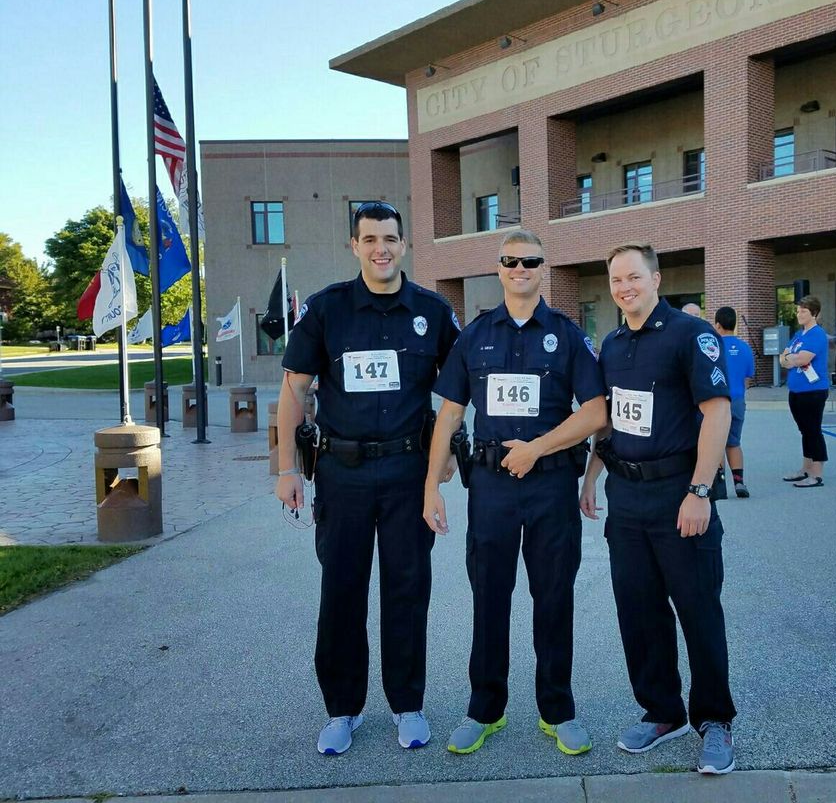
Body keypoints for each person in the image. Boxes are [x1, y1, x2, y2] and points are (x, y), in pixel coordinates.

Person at [274, 201, 461, 756]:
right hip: (342, 474)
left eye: (391, 238)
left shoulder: (432, 310)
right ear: (354, 245)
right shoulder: (327, 310)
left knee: (407, 591)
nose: (382, 247)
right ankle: (342, 710)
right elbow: (294, 392)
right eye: (370, 238)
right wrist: (286, 467)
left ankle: (408, 704)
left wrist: (447, 454)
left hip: (407, 472)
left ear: (404, 244)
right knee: (342, 593)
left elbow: (459, 388)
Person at [423, 229, 606, 757]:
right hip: (491, 490)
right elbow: (450, 414)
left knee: (553, 598)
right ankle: (485, 709)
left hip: (550, 487)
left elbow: (596, 410)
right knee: (489, 599)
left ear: (543, 267)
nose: (520, 269)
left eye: (530, 261)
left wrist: (538, 448)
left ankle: (558, 710)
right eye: (510, 261)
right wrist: (432, 485)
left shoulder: (567, 335)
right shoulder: (475, 335)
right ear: (498, 268)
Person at [580, 243, 737, 775]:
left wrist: (700, 492)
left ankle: (714, 719)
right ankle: (661, 711)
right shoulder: (613, 342)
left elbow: (716, 412)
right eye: (616, 279)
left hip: (679, 496)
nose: (624, 287)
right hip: (627, 501)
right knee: (639, 612)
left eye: (634, 277)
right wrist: (591, 479)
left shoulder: (690, 336)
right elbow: (609, 422)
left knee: (697, 609)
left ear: (656, 279)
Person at [779, 295, 829, 488]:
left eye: (803, 311)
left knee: (813, 430)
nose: (799, 314)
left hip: (813, 391)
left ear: (814, 313)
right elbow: (783, 358)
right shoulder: (799, 335)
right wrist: (789, 358)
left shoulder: (817, 334)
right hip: (796, 391)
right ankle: (805, 468)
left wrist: (790, 358)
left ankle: (816, 474)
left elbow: (801, 360)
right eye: (798, 310)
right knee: (805, 431)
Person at [713, 306, 755, 498]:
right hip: (738, 399)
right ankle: (739, 482)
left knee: (716, 442)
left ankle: (719, 485)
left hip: (717, 400)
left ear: (717, 325)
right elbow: (747, 379)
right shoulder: (745, 347)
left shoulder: (713, 347)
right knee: (734, 442)